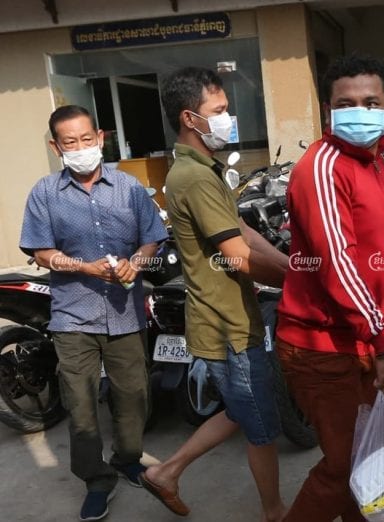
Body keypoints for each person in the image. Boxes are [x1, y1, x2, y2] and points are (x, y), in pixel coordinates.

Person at [139, 67, 289, 522]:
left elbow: (241, 230)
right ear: (190, 117)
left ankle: (166, 471)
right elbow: (239, 257)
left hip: (226, 316)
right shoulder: (196, 178)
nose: (229, 118)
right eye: (219, 111)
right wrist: (300, 278)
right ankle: (275, 512)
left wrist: (290, 264)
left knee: (244, 411)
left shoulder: (205, 171)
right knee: (263, 427)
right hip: (229, 324)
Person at [19, 104, 168, 521]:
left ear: (101, 138)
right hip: (72, 317)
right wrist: (82, 267)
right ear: (56, 146)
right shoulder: (45, 193)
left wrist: (135, 263)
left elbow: (152, 239)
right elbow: (41, 251)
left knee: (134, 395)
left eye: (87, 139)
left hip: (125, 313)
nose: (81, 148)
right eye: (70, 142)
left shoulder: (130, 189)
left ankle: (127, 458)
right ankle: (96, 480)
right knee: (81, 406)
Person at [275, 53, 384, 522]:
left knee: (365, 458)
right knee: (346, 464)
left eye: (371, 101)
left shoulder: (375, 163)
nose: (359, 110)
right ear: (328, 110)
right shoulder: (323, 166)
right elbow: (337, 265)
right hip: (321, 345)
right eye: (345, 102)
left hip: (357, 337)